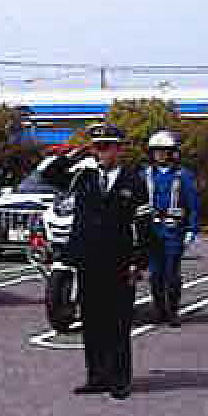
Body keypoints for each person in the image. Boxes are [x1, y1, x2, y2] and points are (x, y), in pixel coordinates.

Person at [47, 123, 152, 400]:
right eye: (97, 147)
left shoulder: (134, 181)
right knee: (92, 322)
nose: (100, 153)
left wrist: (139, 262)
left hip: (119, 261)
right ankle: (96, 377)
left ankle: (120, 380)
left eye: (105, 147)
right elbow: (49, 174)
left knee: (117, 323)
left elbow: (143, 225)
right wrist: (75, 154)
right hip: (88, 260)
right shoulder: (84, 177)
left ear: (119, 150)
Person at [141, 130, 199, 327]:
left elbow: (193, 204)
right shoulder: (146, 175)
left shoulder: (183, 176)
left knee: (172, 273)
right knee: (155, 274)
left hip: (174, 231)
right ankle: (158, 310)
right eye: (156, 151)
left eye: (164, 151)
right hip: (151, 231)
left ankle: (173, 311)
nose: (160, 155)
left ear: (172, 153)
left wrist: (192, 229)